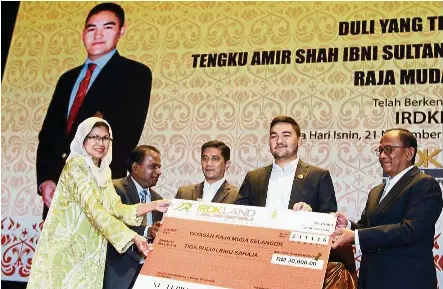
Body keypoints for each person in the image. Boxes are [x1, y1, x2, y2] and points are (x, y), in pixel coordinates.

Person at [36, 2, 152, 219]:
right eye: (91, 28)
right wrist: (46, 179)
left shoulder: (135, 74)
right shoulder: (67, 79)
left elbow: (125, 136)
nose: (98, 35)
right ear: (83, 33)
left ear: (121, 31)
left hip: (97, 189)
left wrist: (91, 182)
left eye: (107, 27)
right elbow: (49, 135)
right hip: (57, 189)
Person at [27, 118, 169, 289]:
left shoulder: (103, 172)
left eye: (105, 138)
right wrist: (133, 237)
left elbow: (116, 208)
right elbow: (95, 211)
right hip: (68, 254)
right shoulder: (75, 166)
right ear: (82, 139)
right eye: (94, 137)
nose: (100, 143)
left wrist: (153, 205)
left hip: (91, 255)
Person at [332, 128, 443, 289]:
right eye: (380, 150)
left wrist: (355, 236)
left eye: (389, 149)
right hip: (372, 279)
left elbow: (411, 230)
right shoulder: (376, 191)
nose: (382, 156)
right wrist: (347, 225)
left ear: (409, 153)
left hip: (406, 281)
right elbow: (368, 228)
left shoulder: (424, 184)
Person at [235, 115, 337, 213]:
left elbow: (329, 217)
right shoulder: (253, 177)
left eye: (286, 135)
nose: (279, 141)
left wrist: (310, 215)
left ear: (299, 141)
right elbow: (239, 215)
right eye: (274, 136)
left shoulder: (319, 176)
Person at [103, 145, 164, 289]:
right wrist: (148, 231)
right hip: (118, 272)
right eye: (153, 167)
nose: (158, 172)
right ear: (135, 167)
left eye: (159, 167)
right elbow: (111, 224)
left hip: (147, 273)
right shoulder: (114, 189)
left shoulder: (158, 199)